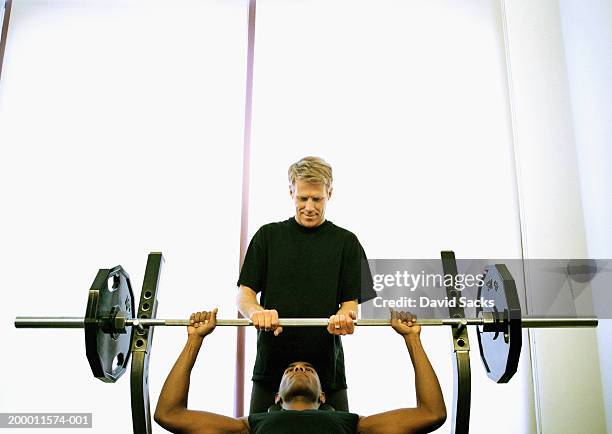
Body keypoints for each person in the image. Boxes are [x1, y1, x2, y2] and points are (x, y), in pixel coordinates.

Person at [154, 309, 447, 434]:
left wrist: (413, 339)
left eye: (307, 368)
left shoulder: (351, 424)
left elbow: (431, 414)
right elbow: (169, 415)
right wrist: (194, 339)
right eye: (291, 369)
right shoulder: (249, 426)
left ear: (323, 397)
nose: (298, 367)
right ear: (277, 399)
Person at [236, 156, 375, 413]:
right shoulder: (267, 236)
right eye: (302, 198)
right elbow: (244, 296)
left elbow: (350, 305)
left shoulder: (347, 242)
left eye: (317, 199)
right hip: (271, 368)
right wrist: (257, 312)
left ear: (329, 193)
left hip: (327, 370)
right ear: (291, 192)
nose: (309, 207)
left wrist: (345, 316)